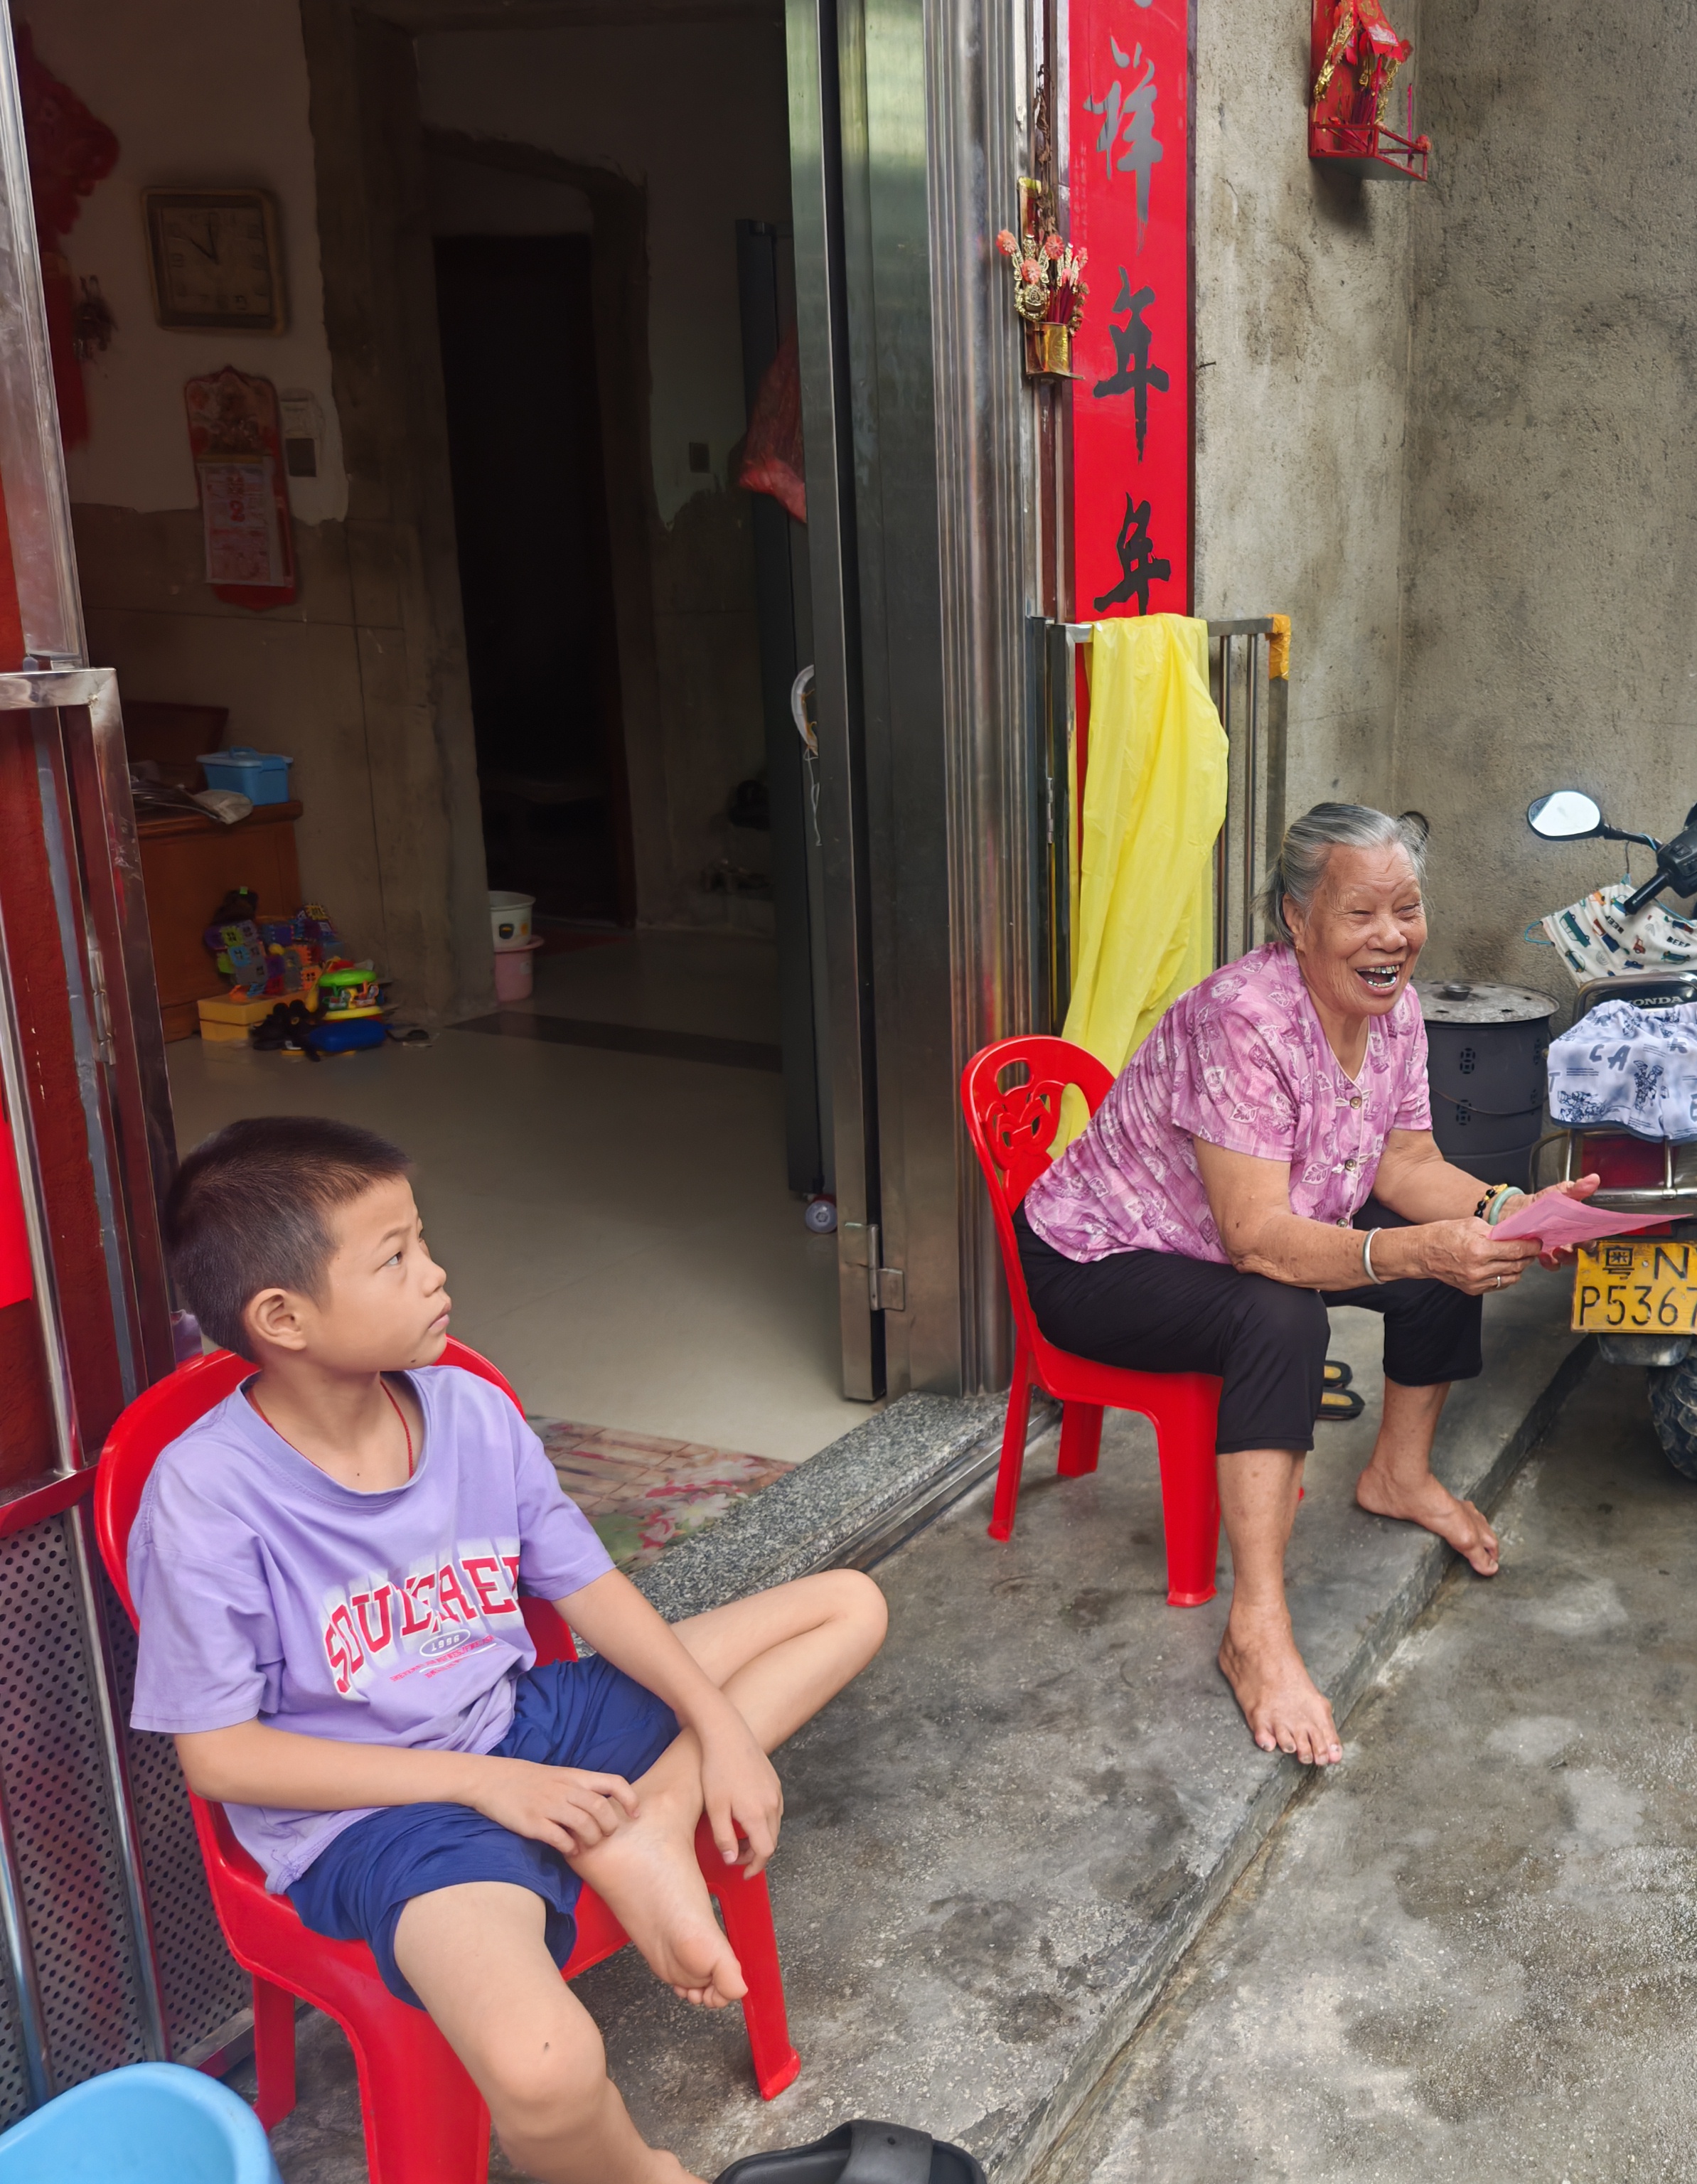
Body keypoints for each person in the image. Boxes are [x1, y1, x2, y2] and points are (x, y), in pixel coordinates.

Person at [132, 1117, 889, 2184]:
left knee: (846, 1606)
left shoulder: (470, 1410)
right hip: (381, 1815)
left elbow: (592, 1591)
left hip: (521, 1717)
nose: (436, 1273)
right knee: (545, 2072)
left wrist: (718, 1733)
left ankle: (654, 1822)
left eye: (423, 1240)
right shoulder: (205, 1499)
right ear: (282, 1317)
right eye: (396, 1257)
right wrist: (487, 1785)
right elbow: (221, 1758)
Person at [1018, 803, 1597, 1767]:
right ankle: (1255, 1628)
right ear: (1296, 917)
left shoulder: (1392, 1010)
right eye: (1361, 913)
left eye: (1406, 910)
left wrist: (1508, 1211)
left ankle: (1398, 1475)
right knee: (1283, 1313)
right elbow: (1257, 1241)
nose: (1391, 938)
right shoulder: (1243, 1021)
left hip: (1239, 1239)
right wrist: (1415, 1251)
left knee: (1441, 1256)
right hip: (1098, 1259)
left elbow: (1405, 1163)